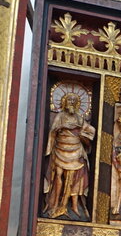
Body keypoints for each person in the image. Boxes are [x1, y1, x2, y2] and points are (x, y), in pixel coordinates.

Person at [41, 92, 96, 220]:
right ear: (65, 102)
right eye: (69, 100)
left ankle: (64, 205)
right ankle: (54, 203)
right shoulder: (60, 116)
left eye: (74, 100)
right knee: (58, 175)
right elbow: (53, 130)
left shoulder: (79, 118)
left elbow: (90, 130)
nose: (71, 102)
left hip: (75, 150)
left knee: (70, 179)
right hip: (61, 148)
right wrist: (62, 127)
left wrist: (84, 134)